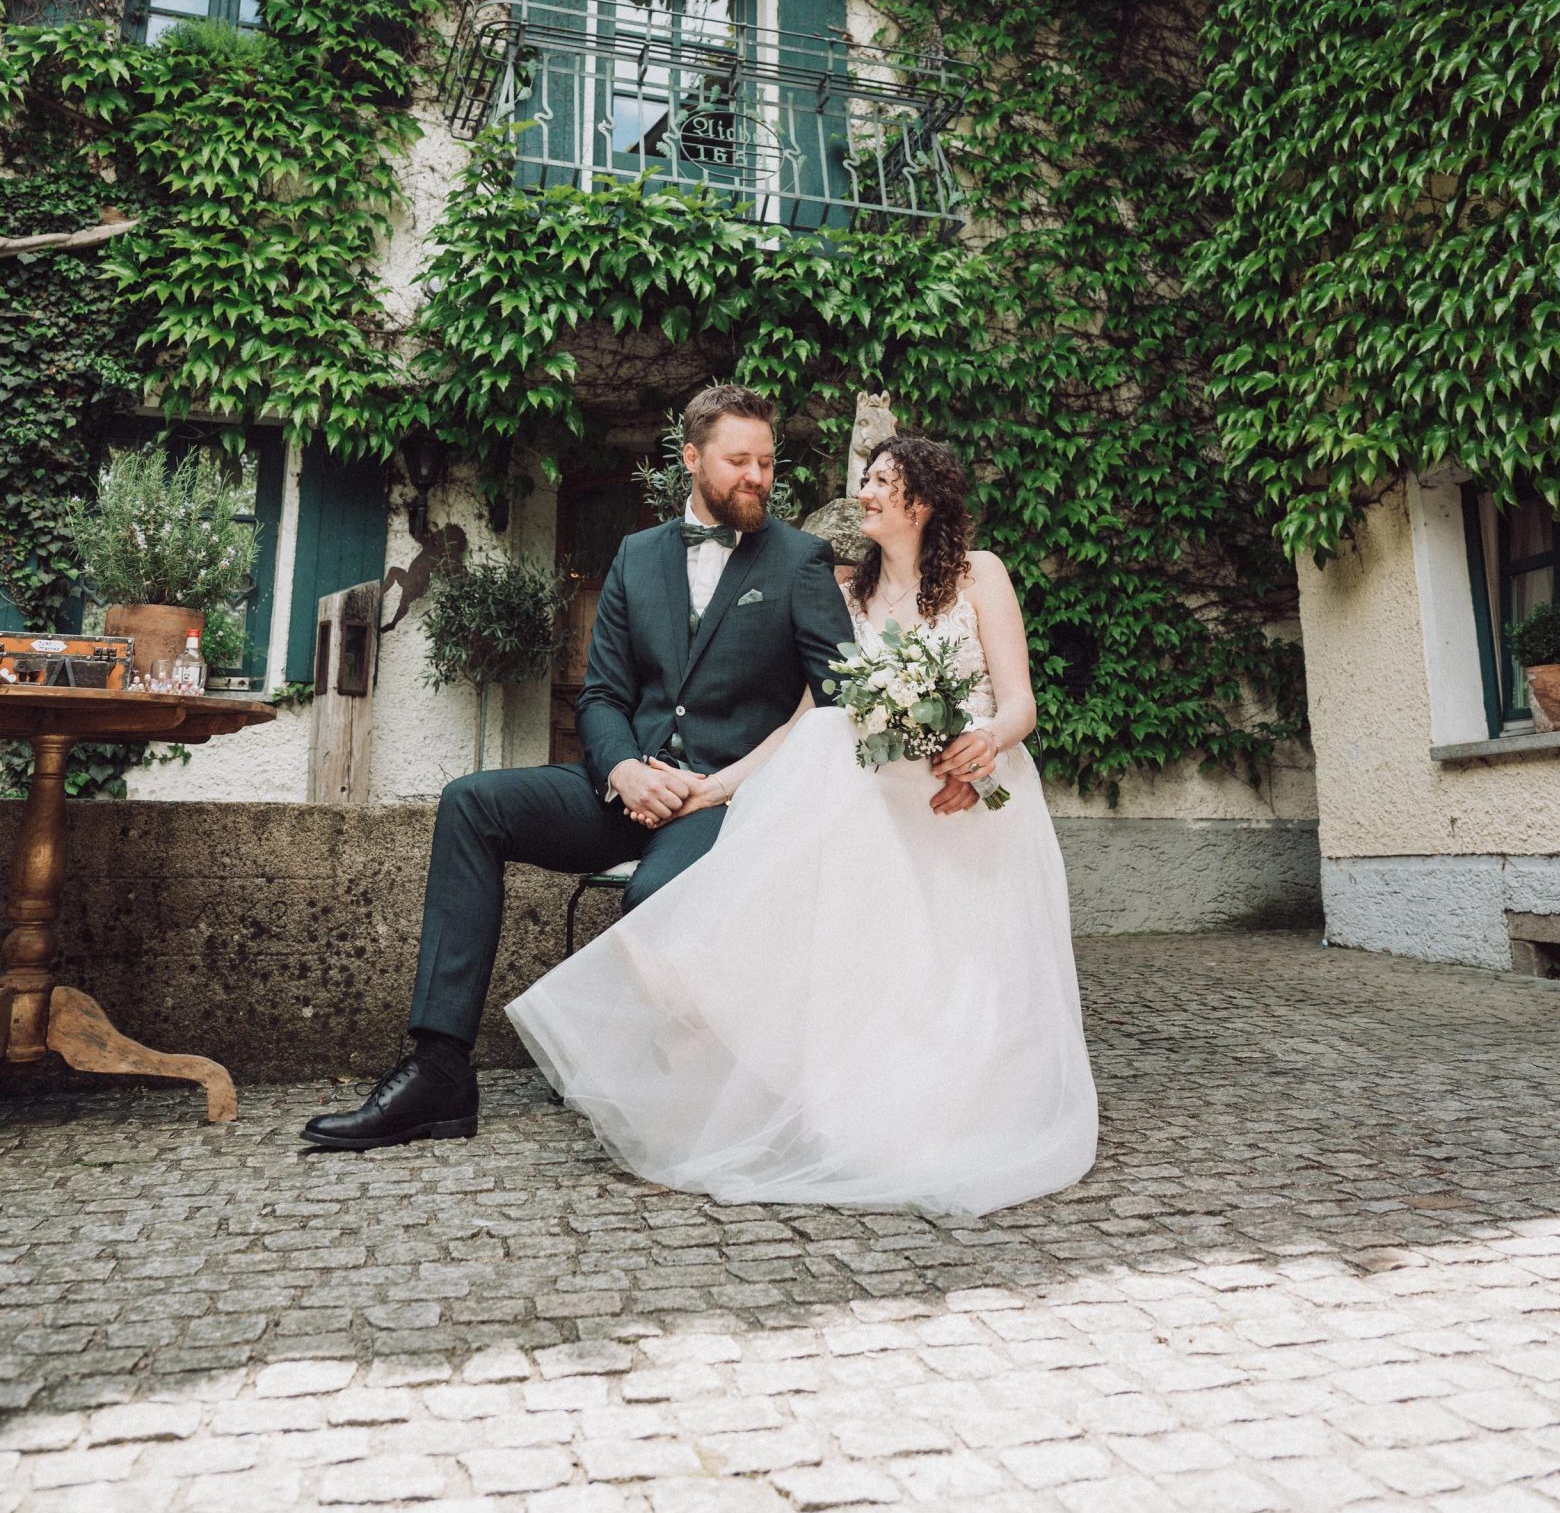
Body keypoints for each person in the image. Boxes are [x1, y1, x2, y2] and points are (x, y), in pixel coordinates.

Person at [506, 434, 1098, 1216]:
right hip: (883, 796)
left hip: (969, 789)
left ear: (923, 499)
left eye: (882, 481)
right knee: (826, 741)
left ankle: (717, 991)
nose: (866, 493)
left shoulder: (980, 574)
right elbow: (802, 721)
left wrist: (984, 747)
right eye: (867, 478)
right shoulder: (846, 595)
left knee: (835, 769)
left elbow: (1020, 703)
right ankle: (737, 1010)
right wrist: (718, 787)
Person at [303, 382, 863, 1151]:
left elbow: (838, 701)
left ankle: (681, 1085)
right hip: (624, 789)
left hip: (724, 803)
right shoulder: (637, 555)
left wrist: (727, 786)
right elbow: (602, 695)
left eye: (766, 462)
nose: (757, 477)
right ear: (692, 458)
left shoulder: (801, 560)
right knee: (471, 803)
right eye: (739, 461)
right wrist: (624, 770)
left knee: (653, 901)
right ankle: (439, 1071)